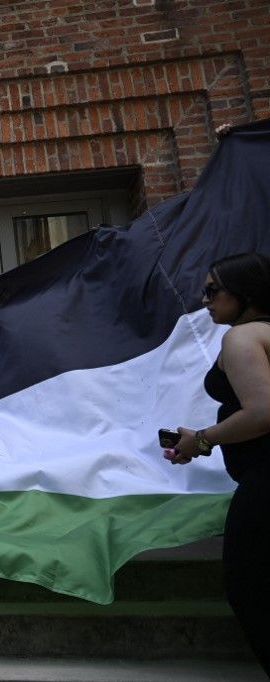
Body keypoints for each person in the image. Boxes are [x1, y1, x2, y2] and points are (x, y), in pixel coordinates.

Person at [166, 252, 270, 677]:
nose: (205, 299)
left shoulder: (242, 338)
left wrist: (202, 438)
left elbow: (263, 412)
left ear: (244, 294)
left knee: (250, 584)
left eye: (212, 290)